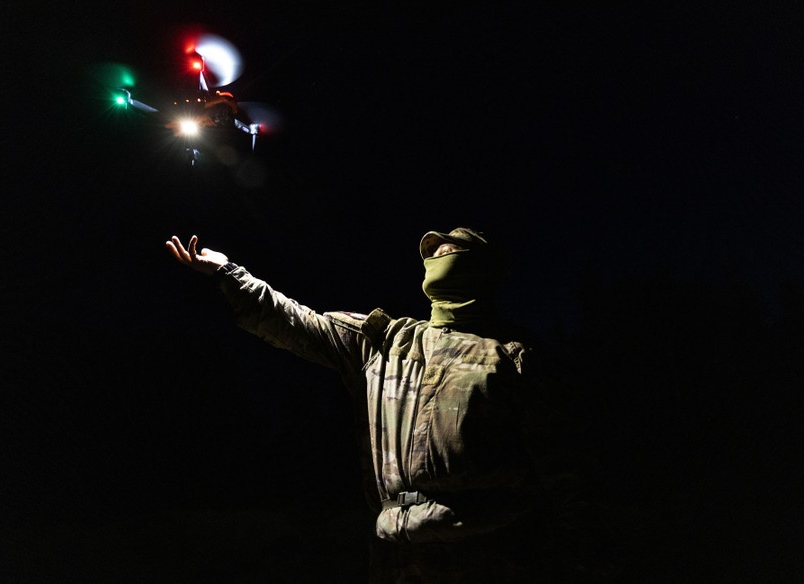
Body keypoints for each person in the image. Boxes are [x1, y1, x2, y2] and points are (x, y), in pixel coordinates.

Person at [165, 228, 550, 582]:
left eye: (453, 251)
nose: (439, 254)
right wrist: (229, 273)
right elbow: (299, 323)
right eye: (434, 253)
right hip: (394, 553)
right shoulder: (388, 341)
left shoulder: (510, 354)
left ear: (482, 270)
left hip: (481, 554)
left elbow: (555, 465)